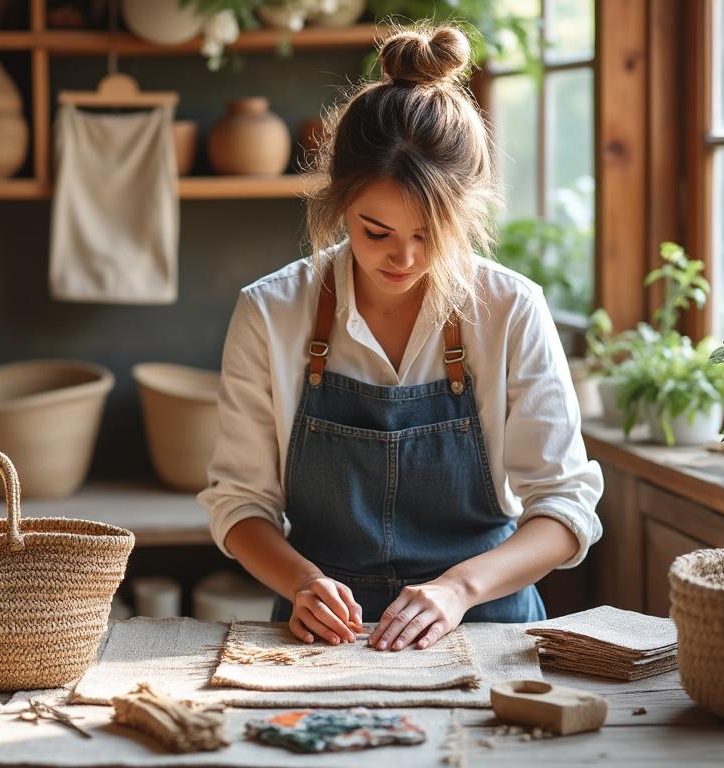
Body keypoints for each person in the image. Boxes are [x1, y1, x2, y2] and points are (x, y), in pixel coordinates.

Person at [198, 25, 604, 654]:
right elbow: (240, 504)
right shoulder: (273, 312)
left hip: (487, 625)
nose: (405, 258)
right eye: (376, 230)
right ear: (338, 205)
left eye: (430, 233)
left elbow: (565, 507)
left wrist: (459, 589)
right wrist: (303, 582)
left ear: (466, 212)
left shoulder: (509, 308)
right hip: (321, 637)